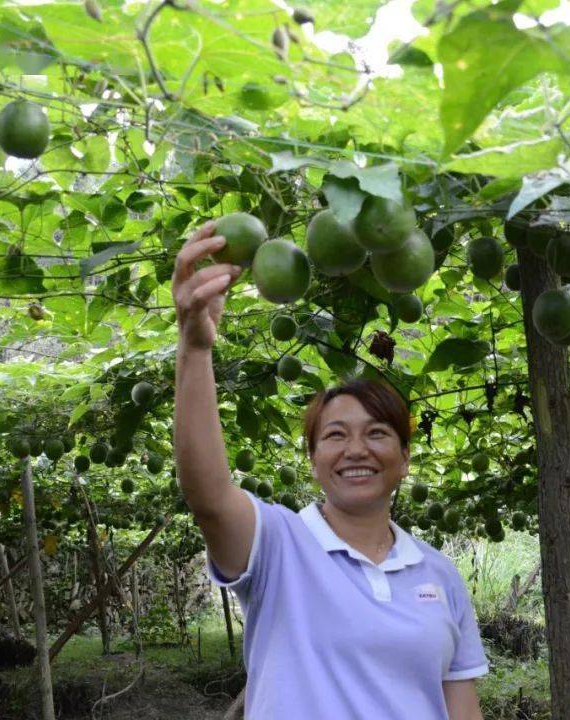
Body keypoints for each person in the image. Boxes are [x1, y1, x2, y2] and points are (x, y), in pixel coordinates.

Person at [172, 219, 489, 719]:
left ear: (405, 459)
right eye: (335, 435)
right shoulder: (278, 544)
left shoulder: (439, 574)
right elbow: (208, 497)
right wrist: (194, 348)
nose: (356, 449)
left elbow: (462, 708)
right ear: (314, 460)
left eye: (378, 433)